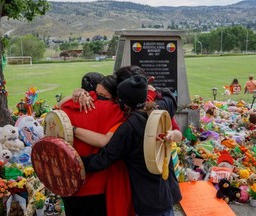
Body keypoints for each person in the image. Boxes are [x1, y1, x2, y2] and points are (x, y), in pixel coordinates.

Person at [81, 75, 183, 216]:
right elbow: (170, 97)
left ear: (123, 103)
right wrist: (155, 89)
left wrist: (76, 161)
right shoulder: (158, 109)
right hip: (165, 194)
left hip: (147, 201)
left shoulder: (127, 129)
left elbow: (103, 159)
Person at [60, 73, 127, 216]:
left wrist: (77, 95)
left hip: (67, 180)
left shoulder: (72, 103)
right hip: (94, 184)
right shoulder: (117, 111)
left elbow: (57, 110)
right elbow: (104, 141)